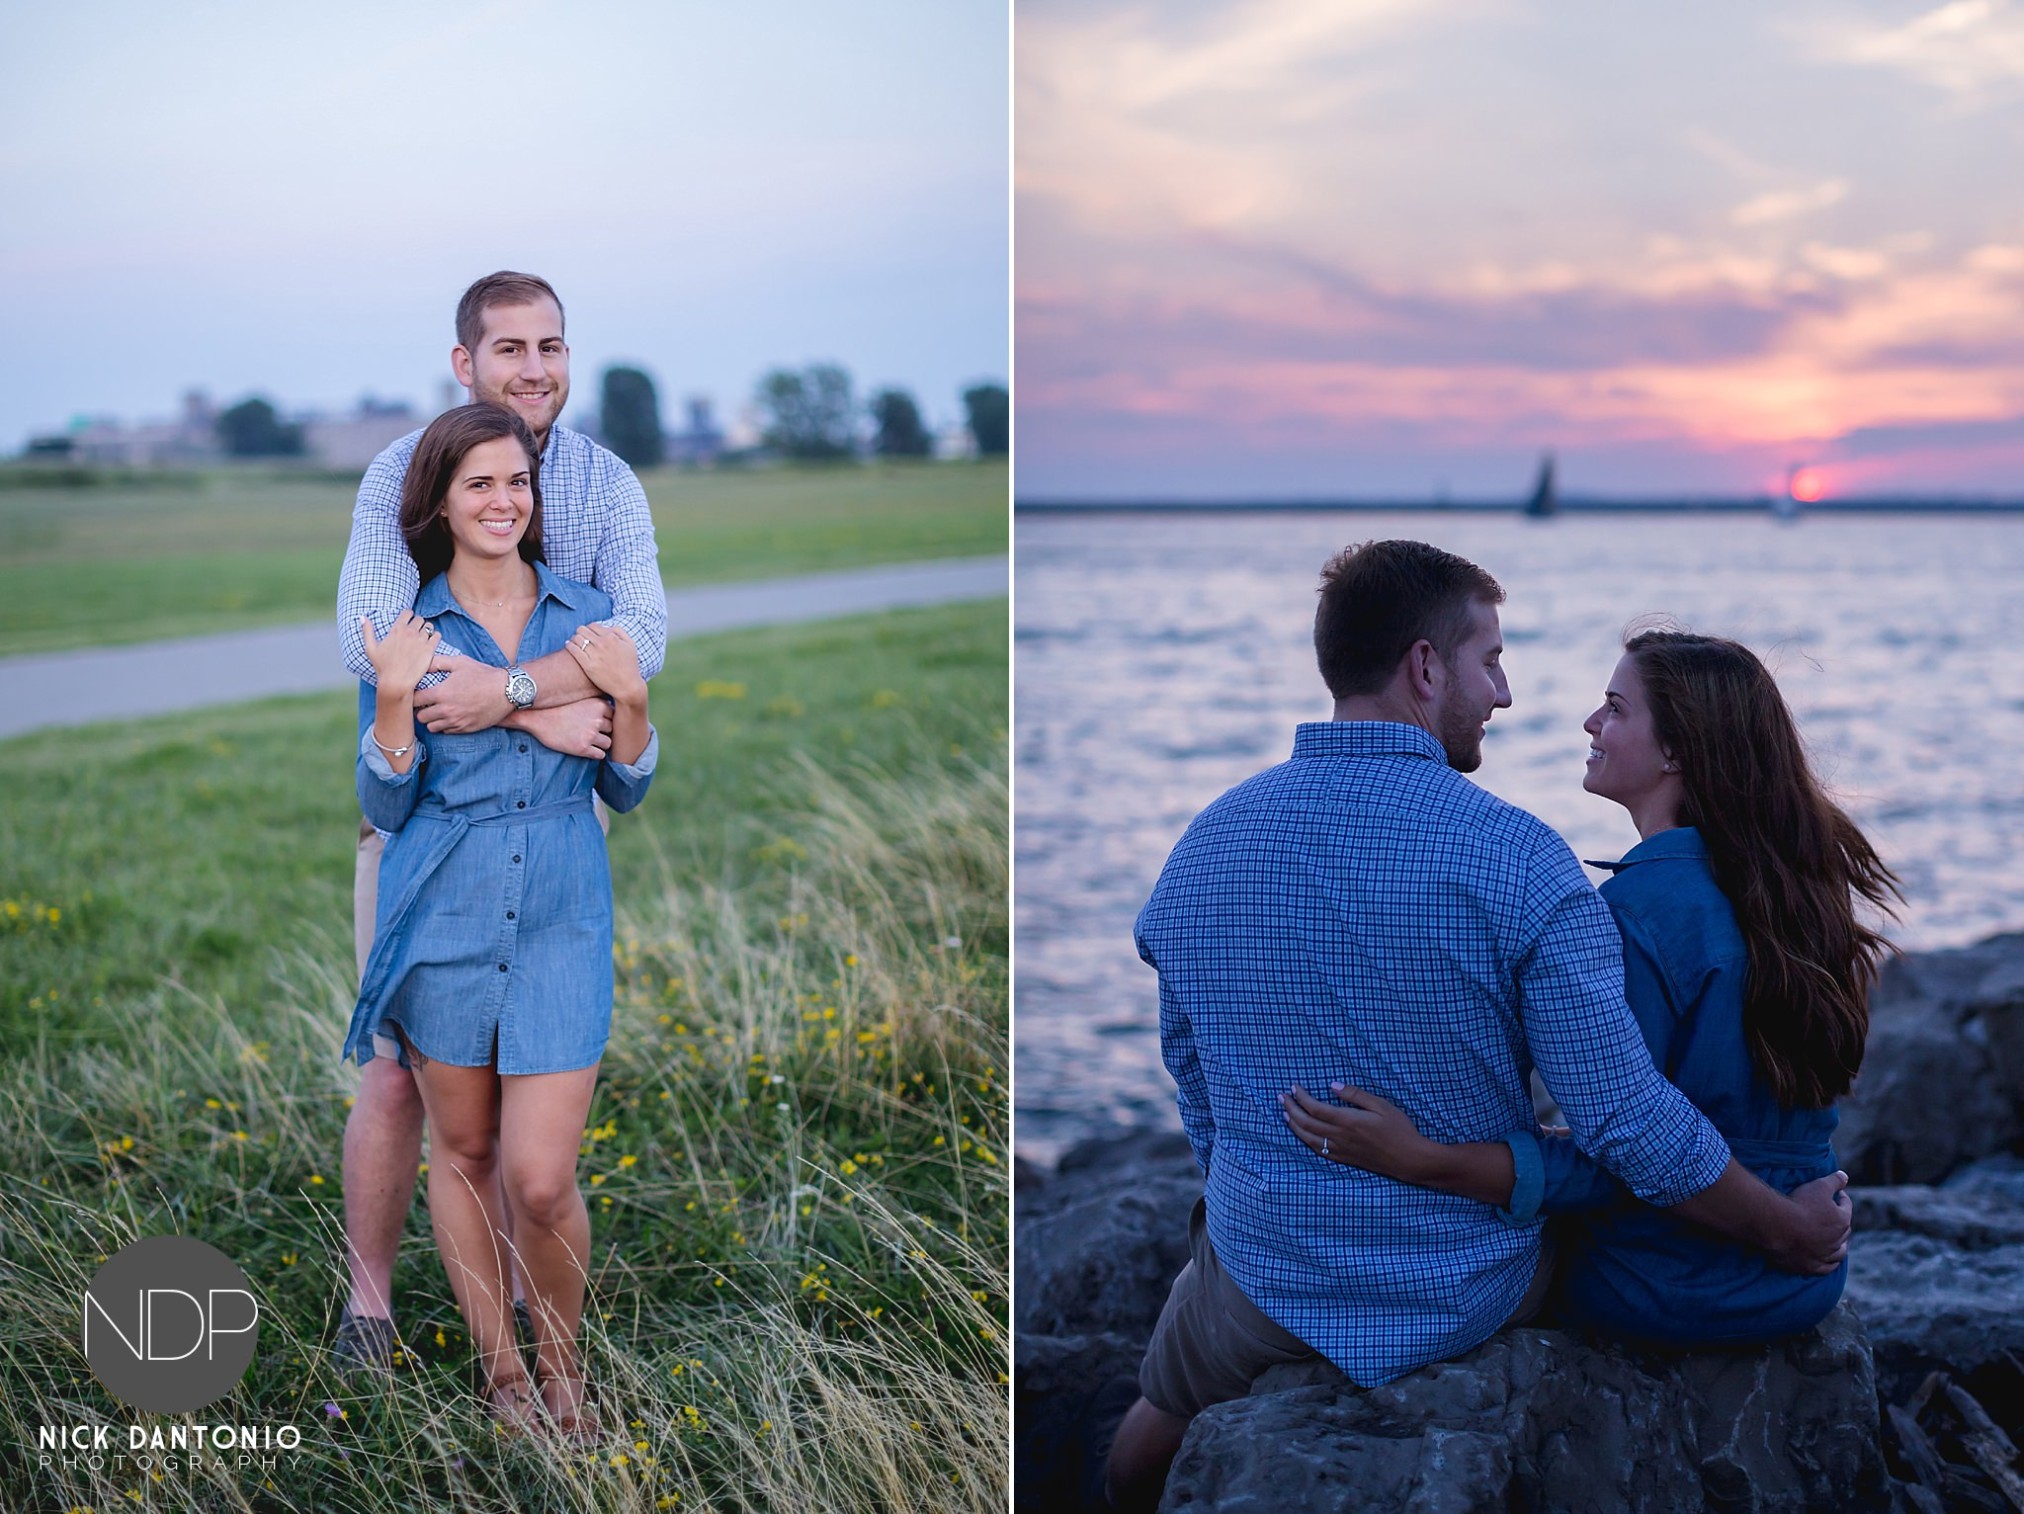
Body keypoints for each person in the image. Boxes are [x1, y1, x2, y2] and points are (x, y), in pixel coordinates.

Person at [1102, 541, 1851, 1513]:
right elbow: (1623, 1123)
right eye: (1488, 659)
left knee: (1146, 1426)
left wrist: (1260, 1192)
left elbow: (1190, 1070)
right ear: (1423, 666)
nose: (1501, 693)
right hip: (1468, 1289)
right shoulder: (1523, 860)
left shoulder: (1202, 844)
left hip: (1265, 1276)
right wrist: (1786, 1226)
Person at [1282, 628, 1899, 1346]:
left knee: (1440, 1263)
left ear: (1676, 750)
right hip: (1805, 1282)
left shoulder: (1640, 913)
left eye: (1615, 708)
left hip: (1673, 1282)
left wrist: (1428, 1160)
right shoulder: (1793, 891)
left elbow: (1628, 1157)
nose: (1590, 723)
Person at [333, 271, 667, 1371]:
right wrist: (553, 701)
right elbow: (379, 650)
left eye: (551, 346)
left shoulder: (605, 484)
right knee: (403, 1083)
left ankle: (551, 1339)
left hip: (561, 834)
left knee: (532, 1157)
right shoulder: (400, 469)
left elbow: (641, 647)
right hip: (427, 836)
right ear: (464, 361)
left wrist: (517, 694)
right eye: (509, 348)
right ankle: (373, 1311)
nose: (534, 368)